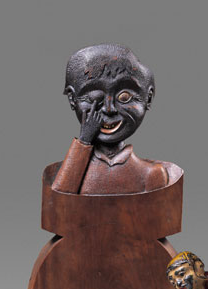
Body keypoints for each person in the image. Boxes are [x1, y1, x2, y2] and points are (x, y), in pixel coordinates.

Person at [52, 44, 174, 194]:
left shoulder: (150, 175)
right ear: (72, 99)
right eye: (95, 98)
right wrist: (84, 141)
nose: (109, 109)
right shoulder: (74, 173)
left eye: (124, 97)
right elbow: (59, 199)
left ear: (147, 99)